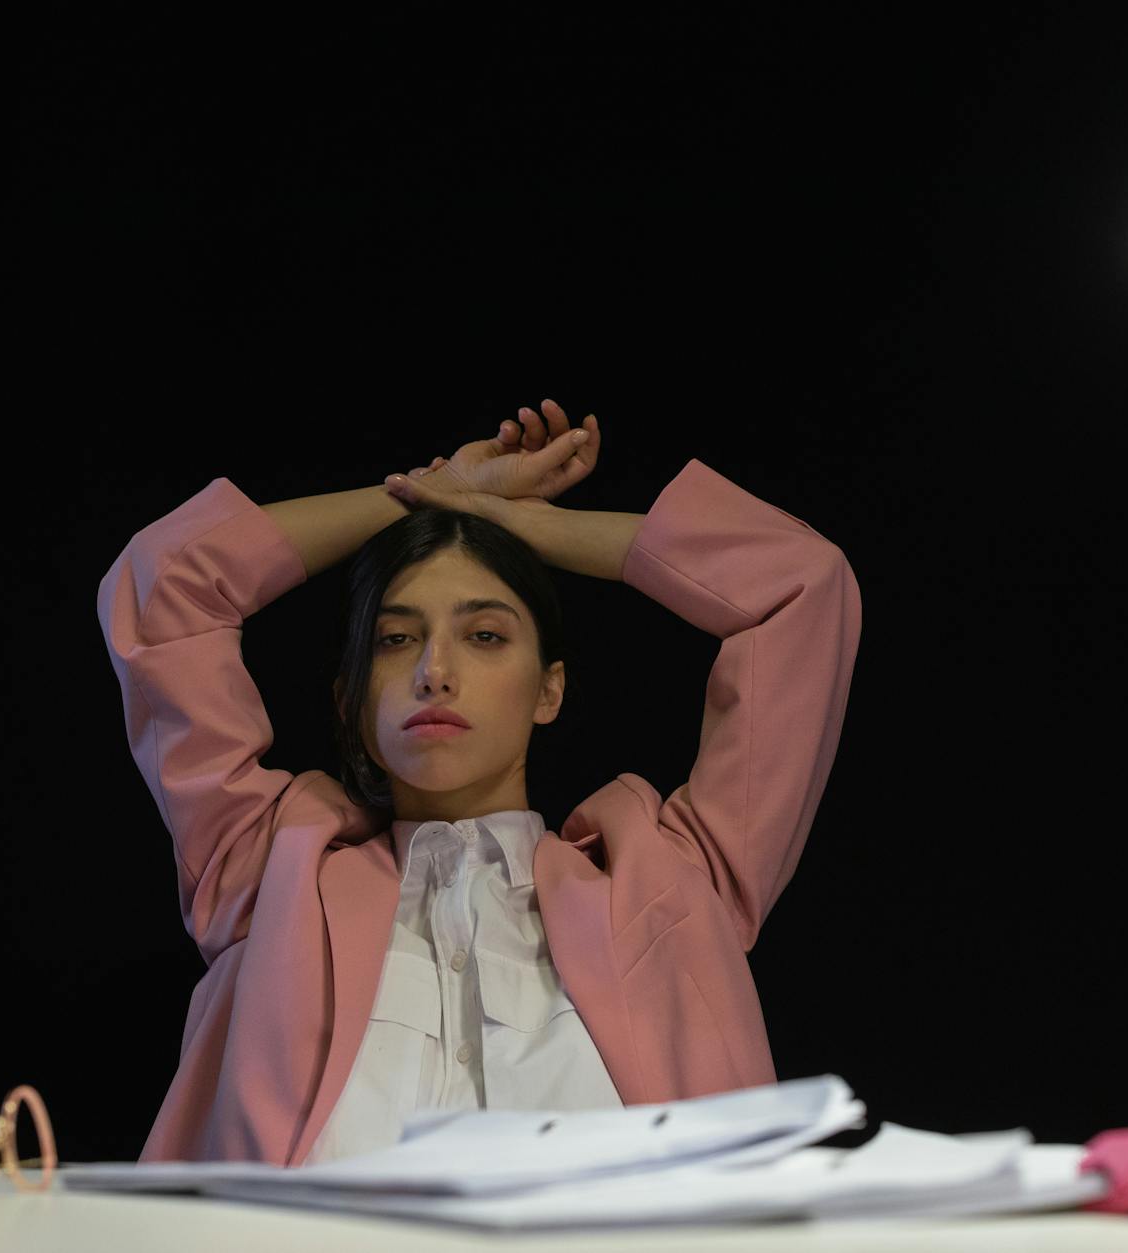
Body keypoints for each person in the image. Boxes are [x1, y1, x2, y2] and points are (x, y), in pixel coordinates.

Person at [96, 400, 862, 1165]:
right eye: (397, 640)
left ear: (548, 689)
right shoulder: (269, 871)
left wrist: (519, 523)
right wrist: (422, 492)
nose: (435, 671)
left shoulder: (671, 881)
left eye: (485, 634)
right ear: (351, 698)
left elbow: (799, 585)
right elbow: (164, 584)